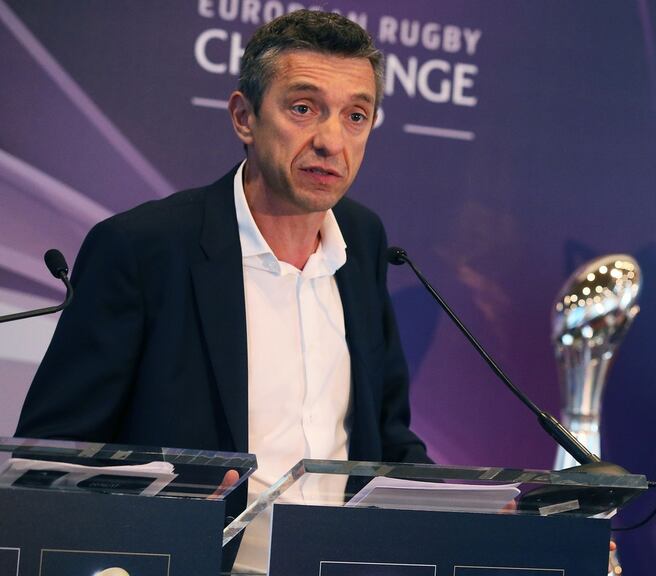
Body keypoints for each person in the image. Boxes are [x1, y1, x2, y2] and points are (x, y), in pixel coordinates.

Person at [15, 10, 428, 571]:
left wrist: (463, 507)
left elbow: (385, 433)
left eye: (356, 116)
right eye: (303, 108)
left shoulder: (364, 240)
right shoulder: (143, 249)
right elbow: (52, 456)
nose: (332, 140)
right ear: (244, 117)